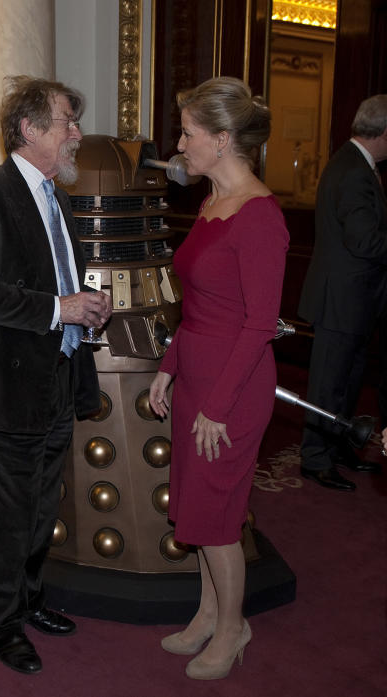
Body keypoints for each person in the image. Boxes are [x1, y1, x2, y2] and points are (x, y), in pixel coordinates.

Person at [0, 76, 111, 675]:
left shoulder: (57, 198)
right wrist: (58, 308)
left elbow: (59, 280)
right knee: (5, 514)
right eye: (67, 121)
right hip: (7, 388)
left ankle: (30, 599)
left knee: (43, 508)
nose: (77, 133)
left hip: (58, 379)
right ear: (29, 129)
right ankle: (1, 621)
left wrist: (86, 306)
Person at [148, 76, 287, 681]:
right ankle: (208, 611)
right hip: (198, 374)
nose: (180, 144)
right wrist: (169, 367)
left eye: (188, 133)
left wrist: (218, 407)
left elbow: (258, 327)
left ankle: (234, 627)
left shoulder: (260, 217)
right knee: (195, 509)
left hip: (234, 386)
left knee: (219, 517)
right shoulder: (210, 204)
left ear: (224, 140)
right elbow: (199, 306)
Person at [298, 95, 387, 491]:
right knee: (328, 384)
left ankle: (338, 448)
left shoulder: (355, 164)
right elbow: (365, 241)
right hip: (341, 300)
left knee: (347, 382)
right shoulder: (353, 170)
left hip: (352, 299)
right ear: (383, 132)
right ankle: (316, 459)